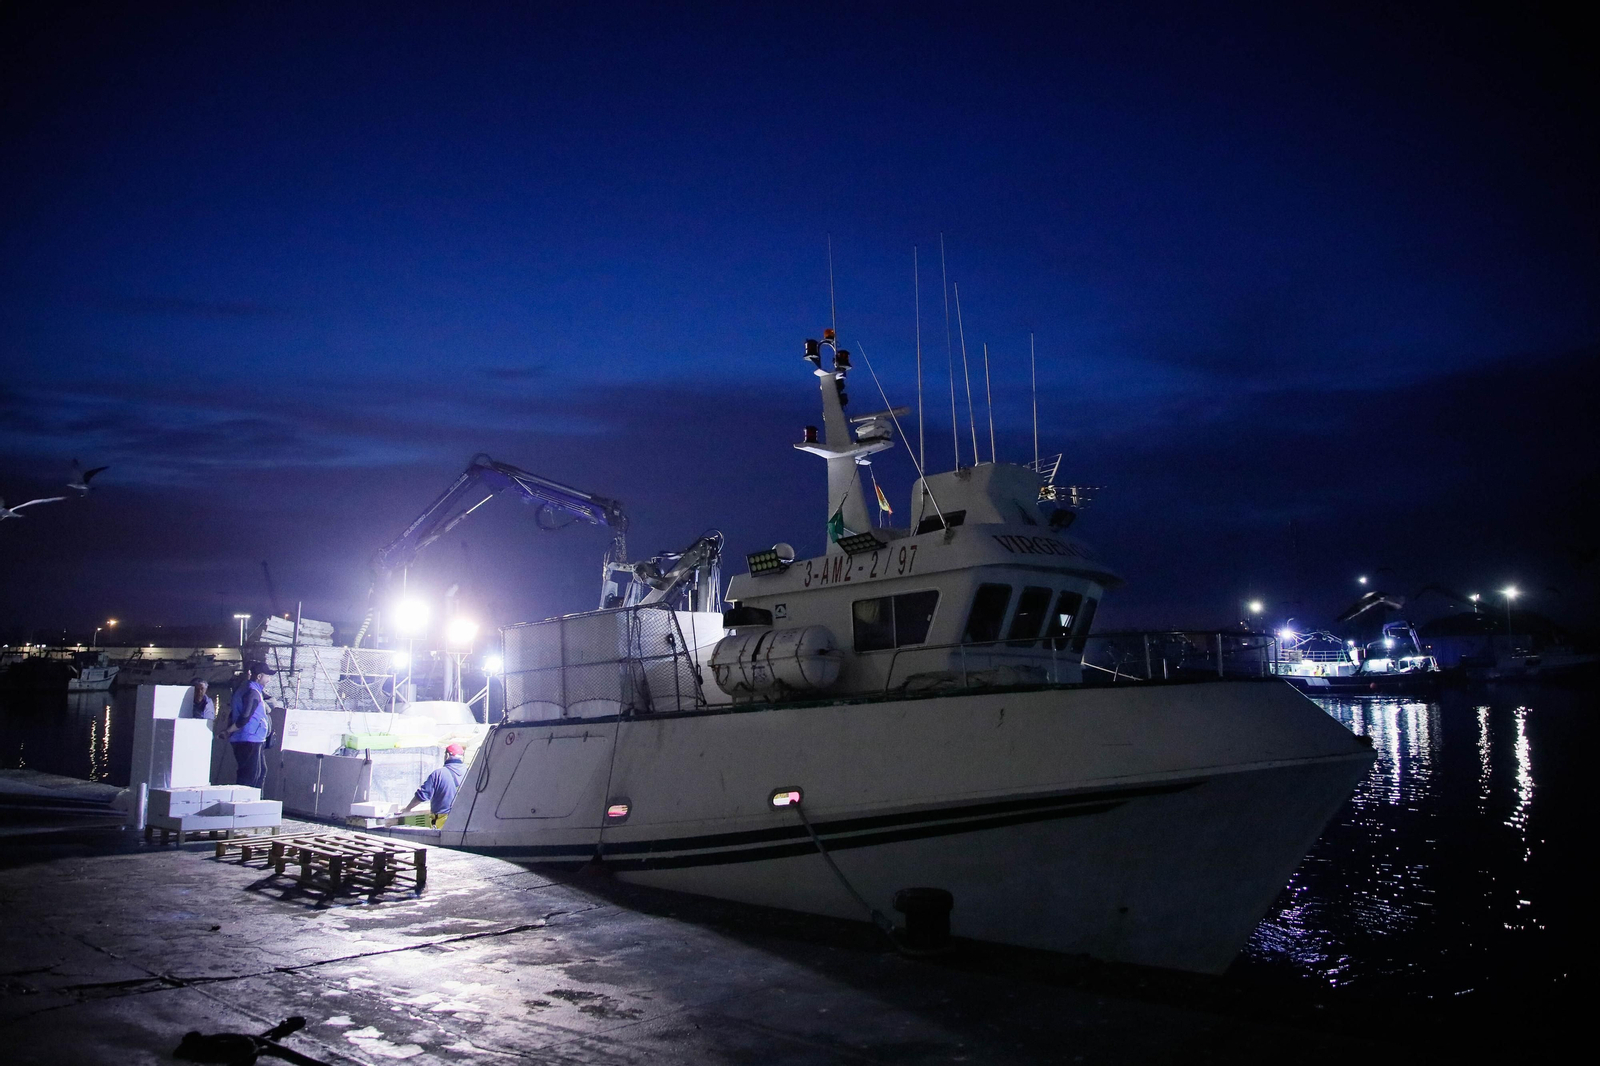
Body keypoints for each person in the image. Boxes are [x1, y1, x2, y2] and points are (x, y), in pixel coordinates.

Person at [226, 663, 275, 789]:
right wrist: (228, 731)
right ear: (259, 676)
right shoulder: (252, 692)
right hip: (249, 739)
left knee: (260, 772)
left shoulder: (248, 689)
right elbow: (244, 717)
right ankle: (247, 803)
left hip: (251, 738)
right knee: (250, 777)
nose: (269, 680)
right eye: (267, 676)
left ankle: (255, 802)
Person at [396, 744, 467, 828]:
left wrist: (407, 809)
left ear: (447, 755)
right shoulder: (470, 773)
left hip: (443, 822)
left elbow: (422, 795)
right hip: (465, 820)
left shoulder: (439, 774)